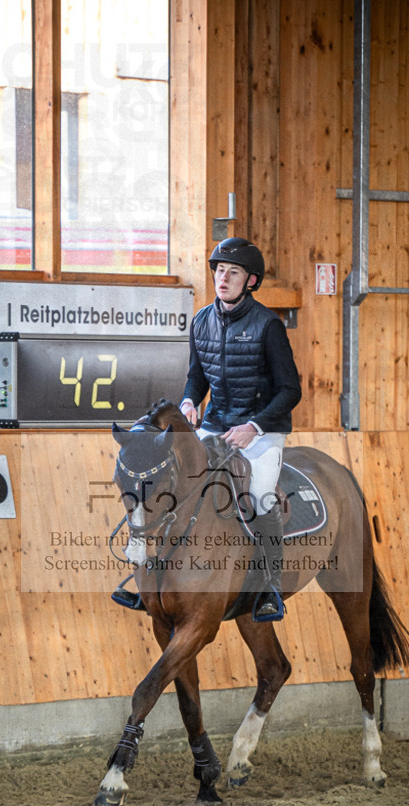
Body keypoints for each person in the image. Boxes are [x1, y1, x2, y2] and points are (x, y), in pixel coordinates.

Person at [179, 237, 302, 621]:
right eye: (219, 271)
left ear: (251, 281)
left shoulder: (268, 325)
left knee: (260, 497)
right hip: (215, 425)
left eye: (233, 273)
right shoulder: (201, 320)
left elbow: (291, 390)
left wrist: (254, 425)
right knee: (178, 484)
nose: (223, 278)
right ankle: (157, 575)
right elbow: (196, 378)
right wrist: (188, 402)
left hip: (262, 430)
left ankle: (269, 589)